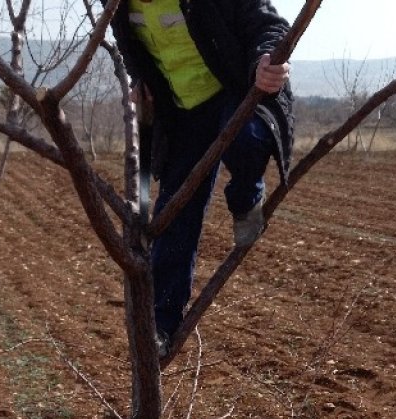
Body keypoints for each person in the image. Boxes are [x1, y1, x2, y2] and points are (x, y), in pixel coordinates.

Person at [111, 0, 294, 356]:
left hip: (234, 87)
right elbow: (132, 45)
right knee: (174, 218)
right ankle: (160, 325)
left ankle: (246, 199)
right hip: (182, 114)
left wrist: (265, 61)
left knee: (246, 141)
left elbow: (268, 24)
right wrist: (140, 80)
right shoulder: (115, 4)